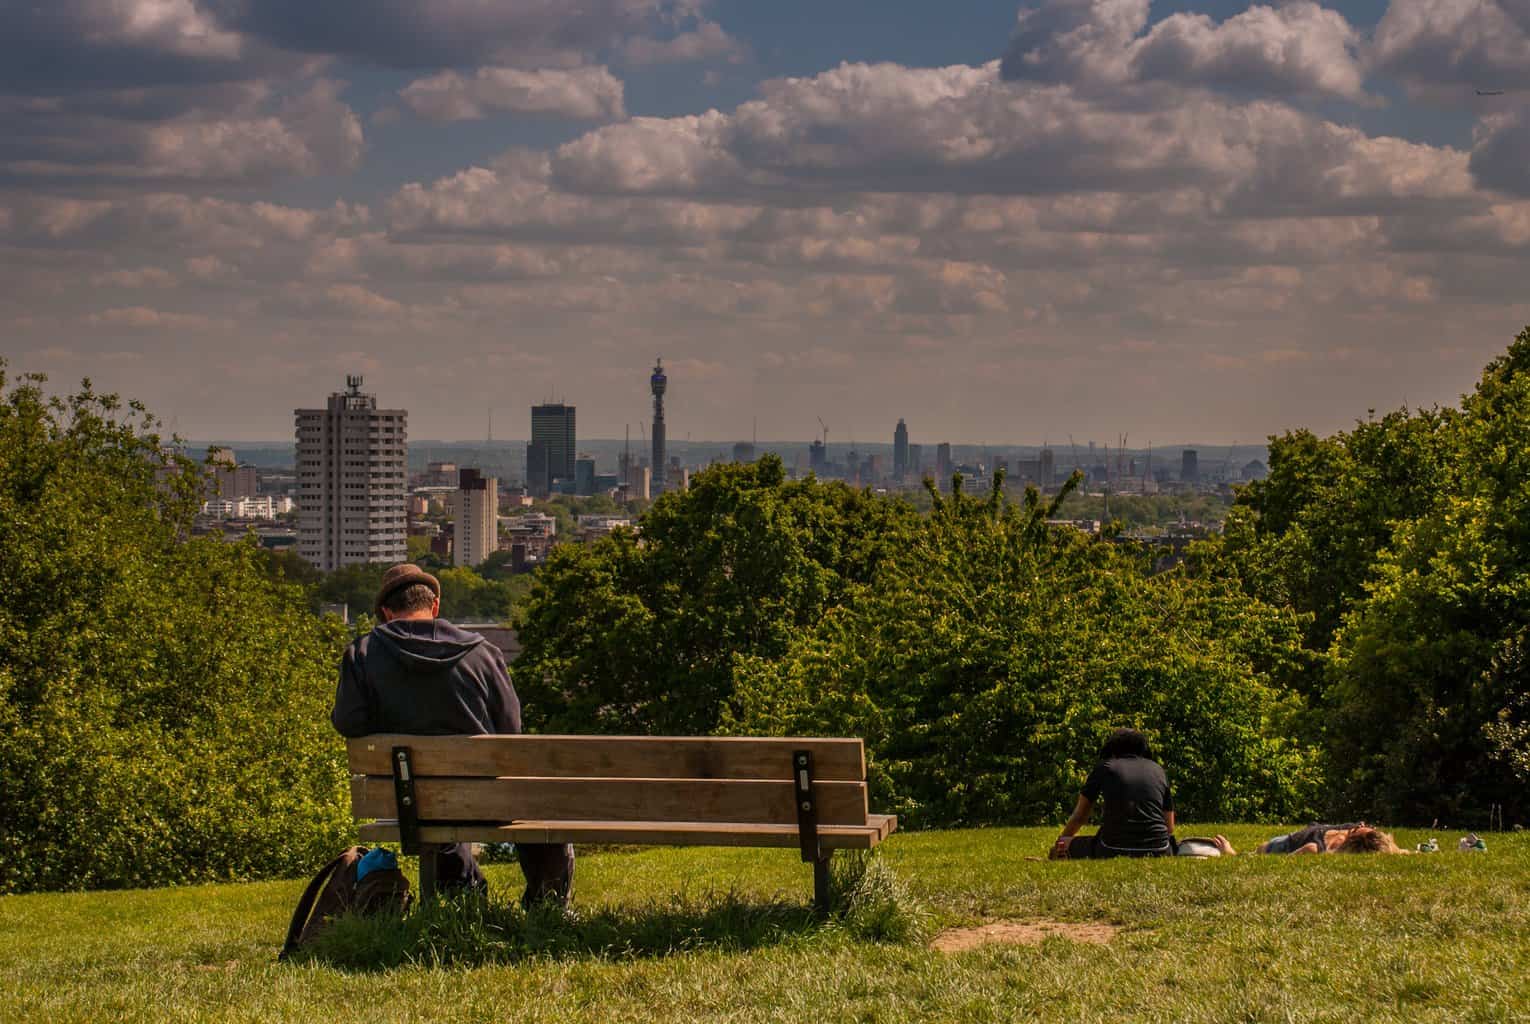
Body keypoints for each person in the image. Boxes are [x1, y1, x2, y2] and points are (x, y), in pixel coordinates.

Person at [332, 563, 575, 907]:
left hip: (411, 804)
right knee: (535, 801)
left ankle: (466, 896)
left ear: (386, 613)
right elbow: (511, 730)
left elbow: (349, 723)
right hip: (490, 800)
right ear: (434, 606)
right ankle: (546, 902)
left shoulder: (361, 655)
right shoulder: (483, 653)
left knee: (435, 805)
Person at [1049, 728, 1175, 860]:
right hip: (1160, 849)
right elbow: (1169, 826)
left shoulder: (1106, 767)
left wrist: (1060, 843)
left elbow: (1080, 816)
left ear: (1112, 749)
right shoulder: (1158, 770)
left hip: (1112, 848)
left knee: (1064, 844)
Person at [1254, 823, 1408, 855]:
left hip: (1284, 844)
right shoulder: (1354, 831)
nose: (1363, 825)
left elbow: (1292, 857)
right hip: (1303, 832)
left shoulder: (1315, 848)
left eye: (1360, 828)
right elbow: (1392, 849)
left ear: (1355, 837)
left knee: (1257, 852)